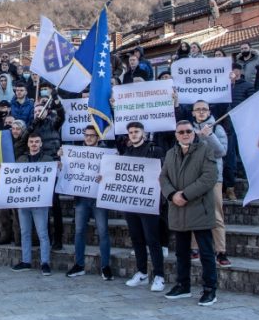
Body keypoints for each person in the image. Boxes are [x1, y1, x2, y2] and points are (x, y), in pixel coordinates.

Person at [160, 120, 219, 307]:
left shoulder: (205, 149)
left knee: (206, 253)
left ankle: (210, 289)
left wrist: (185, 194)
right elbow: (163, 177)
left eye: (188, 131)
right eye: (181, 132)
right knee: (181, 252)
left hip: (199, 208)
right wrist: (171, 194)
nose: (185, 134)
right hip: (178, 210)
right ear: (176, 135)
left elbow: (209, 177)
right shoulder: (170, 153)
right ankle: (182, 285)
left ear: (193, 133)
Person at [117, 122, 166, 290]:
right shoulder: (126, 153)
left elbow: (163, 173)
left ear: (143, 133)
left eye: (136, 131)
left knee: (153, 240)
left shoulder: (155, 151)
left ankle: (159, 275)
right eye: (130, 132)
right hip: (131, 203)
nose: (133, 134)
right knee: (137, 239)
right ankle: (142, 272)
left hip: (149, 203)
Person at [65, 125, 114, 281]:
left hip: (99, 199)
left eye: (92, 135)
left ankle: (106, 266)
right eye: (86, 135)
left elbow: (113, 173)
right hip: (81, 199)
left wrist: (104, 176)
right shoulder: (75, 153)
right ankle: (79, 265)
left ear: (98, 137)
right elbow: (68, 171)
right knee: (79, 231)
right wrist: (62, 158)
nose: (89, 138)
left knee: (103, 232)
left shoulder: (107, 154)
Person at [189, 100, 231, 268]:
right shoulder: (188, 129)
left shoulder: (217, 128)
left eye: (204, 109)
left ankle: (221, 251)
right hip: (193, 179)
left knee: (216, 215)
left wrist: (209, 135)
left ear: (209, 111)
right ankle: (194, 248)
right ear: (192, 113)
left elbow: (222, 151)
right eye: (197, 109)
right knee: (194, 213)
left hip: (213, 178)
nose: (201, 112)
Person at [11, 133, 53, 276]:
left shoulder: (48, 160)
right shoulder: (21, 159)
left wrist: (58, 167)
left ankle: (45, 263)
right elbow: (13, 177)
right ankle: (26, 261)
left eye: (37, 141)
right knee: (25, 232)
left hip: (40, 202)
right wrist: (2, 171)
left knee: (42, 233)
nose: (34, 144)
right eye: (31, 142)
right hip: (23, 201)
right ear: (28, 144)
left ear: (41, 144)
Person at [28, 97, 65, 250]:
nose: (38, 113)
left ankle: (58, 239)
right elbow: (26, 138)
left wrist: (56, 102)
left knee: (55, 204)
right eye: (36, 111)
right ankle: (46, 238)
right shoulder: (33, 126)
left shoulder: (53, 123)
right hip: (39, 167)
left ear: (46, 112)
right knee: (44, 205)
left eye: (40, 110)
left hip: (53, 165)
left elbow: (62, 116)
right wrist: (32, 127)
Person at [223, 64, 254, 200]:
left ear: (239, 71)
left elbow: (252, 103)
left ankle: (231, 187)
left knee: (235, 156)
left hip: (241, 125)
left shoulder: (247, 86)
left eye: (233, 70)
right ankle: (225, 187)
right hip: (224, 126)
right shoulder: (223, 87)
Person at [0, 120, 29, 245]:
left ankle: (18, 237)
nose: (15, 131)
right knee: (3, 209)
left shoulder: (26, 144)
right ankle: (5, 235)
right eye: (13, 128)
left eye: (18, 129)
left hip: (19, 180)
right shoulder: (5, 142)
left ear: (23, 130)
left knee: (16, 210)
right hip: (5, 178)